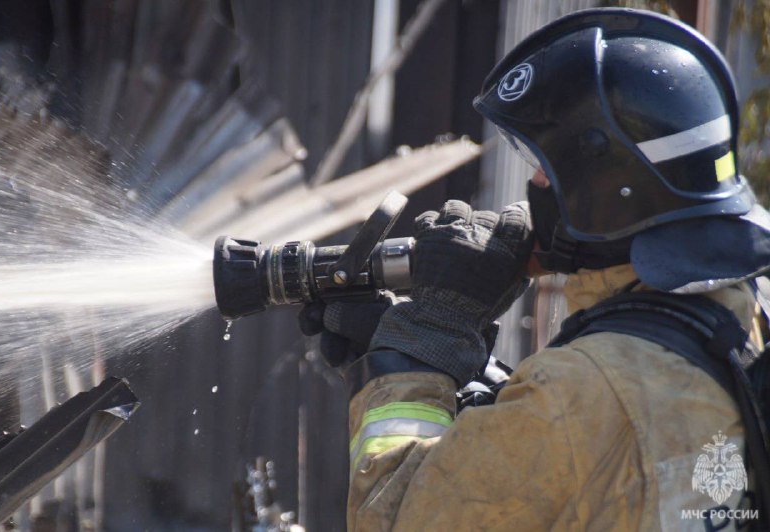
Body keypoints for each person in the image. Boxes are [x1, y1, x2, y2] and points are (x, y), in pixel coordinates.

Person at [299, 8, 770, 531]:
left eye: (545, 169)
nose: (534, 187)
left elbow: (394, 519)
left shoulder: (585, 388)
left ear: (605, 188)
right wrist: (439, 370)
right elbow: (599, 464)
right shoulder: (738, 309)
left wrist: (427, 334)